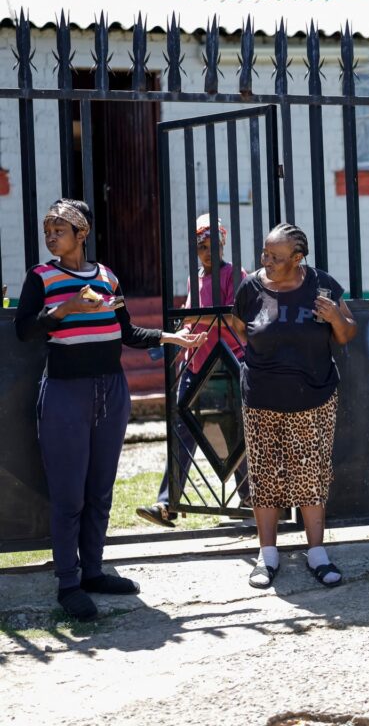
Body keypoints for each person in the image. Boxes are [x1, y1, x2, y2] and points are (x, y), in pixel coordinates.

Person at [15, 198, 206, 621]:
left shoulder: (107, 278)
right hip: (65, 392)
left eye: (59, 230)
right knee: (68, 492)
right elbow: (24, 330)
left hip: (111, 391)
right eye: (48, 231)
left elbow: (126, 332)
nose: (51, 237)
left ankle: (94, 571)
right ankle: (68, 582)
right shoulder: (41, 277)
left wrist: (171, 338)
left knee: (100, 488)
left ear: (81, 233)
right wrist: (65, 309)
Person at [225, 223, 358, 589]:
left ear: (297, 258)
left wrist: (335, 318)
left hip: (313, 397)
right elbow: (240, 326)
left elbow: (347, 333)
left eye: (275, 256)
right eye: (265, 253)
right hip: (261, 398)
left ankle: (317, 554)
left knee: (311, 474)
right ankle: (267, 556)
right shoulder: (250, 287)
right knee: (264, 475)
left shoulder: (321, 285)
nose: (266, 261)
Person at [135, 213, 249, 527]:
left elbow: (231, 317)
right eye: (201, 246)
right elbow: (190, 319)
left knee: (233, 431)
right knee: (182, 431)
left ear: (223, 244)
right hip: (196, 365)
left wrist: (193, 319)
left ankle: (250, 497)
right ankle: (167, 503)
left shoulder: (234, 274)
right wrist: (183, 334)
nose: (207, 252)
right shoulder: (194, 279)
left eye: (213, 245)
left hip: (226, 366)